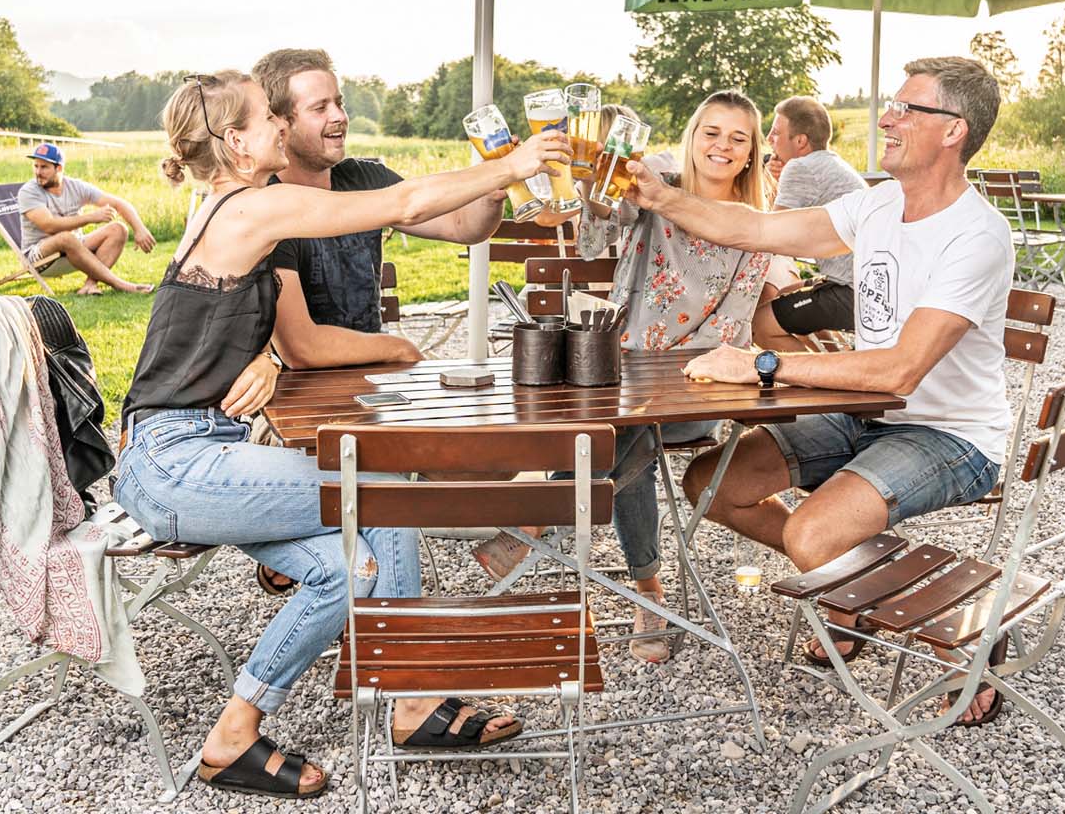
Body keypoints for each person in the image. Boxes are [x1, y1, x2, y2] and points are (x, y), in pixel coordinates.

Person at [111, 70, 566, 798]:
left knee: (348, 568)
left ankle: (233, 738)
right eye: (269, 118)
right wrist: (513, 164)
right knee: (381, 484)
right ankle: (416, 699)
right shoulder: (249, 207)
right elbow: (405, 201)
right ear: (236, 141)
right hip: (175, 462)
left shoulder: (232, 208)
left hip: (188, 451)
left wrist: (260, 353)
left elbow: (208, 324)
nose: (282, 128)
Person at [624, 57, 1013, 725]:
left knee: (811, 533)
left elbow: (899, 372)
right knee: (711, 484)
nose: (886, 118)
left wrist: (765, 366)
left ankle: (970, 618)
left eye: (905, 109)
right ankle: (853, 580)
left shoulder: (976, 235)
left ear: (953, 131)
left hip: (949, 434)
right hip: (868, 416)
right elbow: (756, 228)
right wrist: (661, 198)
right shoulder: (880, 203)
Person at [474, 91, 777, 664]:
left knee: (621, 427)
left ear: (750, 154)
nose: (722, 146)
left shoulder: (755, 223)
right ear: (692, 137)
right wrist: (596, 190)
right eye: (711, 132)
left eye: (738, 138)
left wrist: (669, 374)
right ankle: (648, 592)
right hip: (616, 372)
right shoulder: (656, 177)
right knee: (625, 429)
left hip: (699, 383)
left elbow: (733, 327)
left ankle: (541, 520)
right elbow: (598, 233)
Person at [253, 48, 502, 368]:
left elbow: (462, 226)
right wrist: (398, 348)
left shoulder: (365, 177)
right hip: (298, 393)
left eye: (339, 103)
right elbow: (299, 349)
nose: (339, 116)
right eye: (320, 108)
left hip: (372, 381)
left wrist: (491, 192)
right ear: (281, 124)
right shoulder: (269, 207)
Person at [754, 95, 870, 351]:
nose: (769, 139)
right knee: (785, 296)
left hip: (850, 292)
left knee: (759, 324)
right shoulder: (830, 163)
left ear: (800, 141)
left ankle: (821, 382)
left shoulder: (801, 167)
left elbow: (771, 234)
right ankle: (837, 367)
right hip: (859, 285)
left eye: (775, 133)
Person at [16, 142, 156, 295]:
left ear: (59, 168)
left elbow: (118, 203)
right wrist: (90, 218)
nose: (38, 172)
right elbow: (49, 226)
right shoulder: (29, 192)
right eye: (36, 166)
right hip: (38, 257)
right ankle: (121, 285)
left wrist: (139, 229)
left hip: (75, 249)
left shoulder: (75, 187)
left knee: (118, 229)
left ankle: (90, 285)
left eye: (44, 167)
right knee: (66, 238)